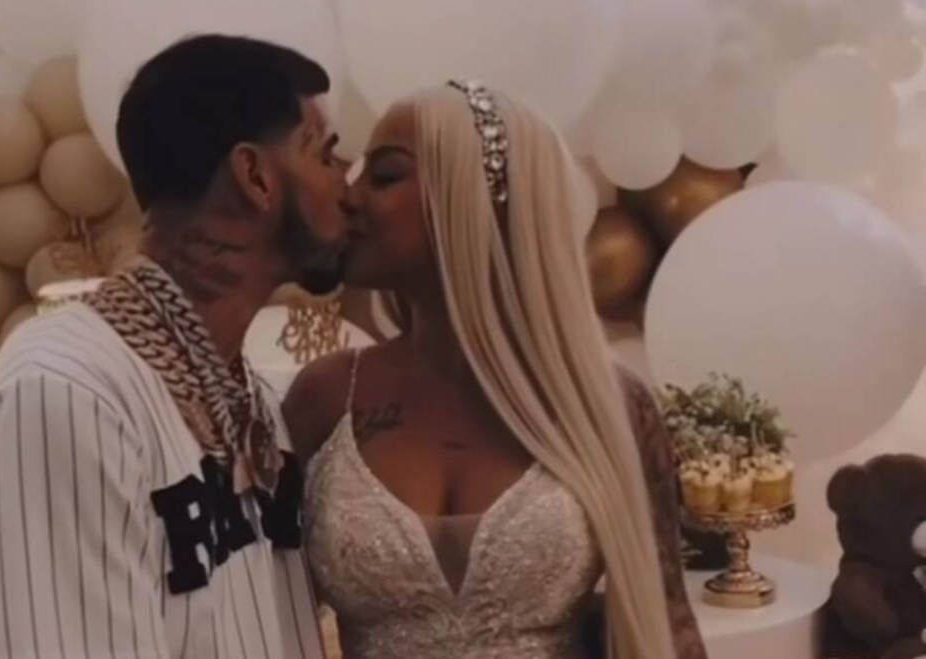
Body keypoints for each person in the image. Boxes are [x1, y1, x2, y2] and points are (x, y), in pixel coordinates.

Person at [0, 34, 352, 659]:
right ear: (255, 177)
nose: (346, 183)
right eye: (324, 154)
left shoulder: (248, 401)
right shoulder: (67, 394)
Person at [284, 81, 707, 659]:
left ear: (476, 201)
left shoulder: (609, 404)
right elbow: (268, 618)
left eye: (384, 176)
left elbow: (669, 624)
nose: (350, 197)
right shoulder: (325, 398)